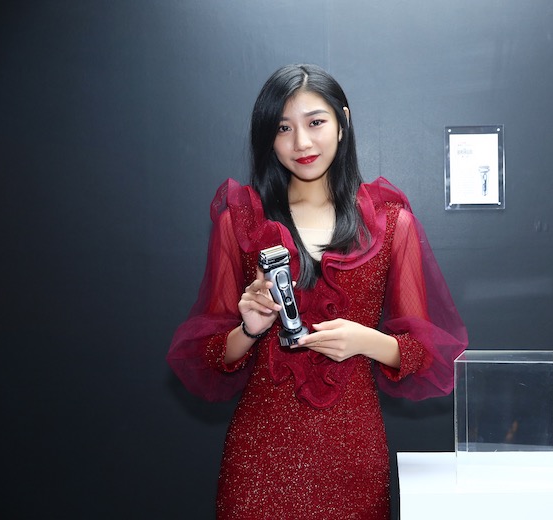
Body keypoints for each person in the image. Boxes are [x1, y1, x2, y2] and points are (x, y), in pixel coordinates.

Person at [167, 63, 468, 520]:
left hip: (352, 456)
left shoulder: (391, 224)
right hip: (259, 459)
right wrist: (249, 330)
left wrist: (364, 339)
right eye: (283, 128)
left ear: (342, 122)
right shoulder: (240, 221)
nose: (301, 143)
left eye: (315, 122)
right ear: (268, 137)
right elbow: (212, 356)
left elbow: (424, 353)